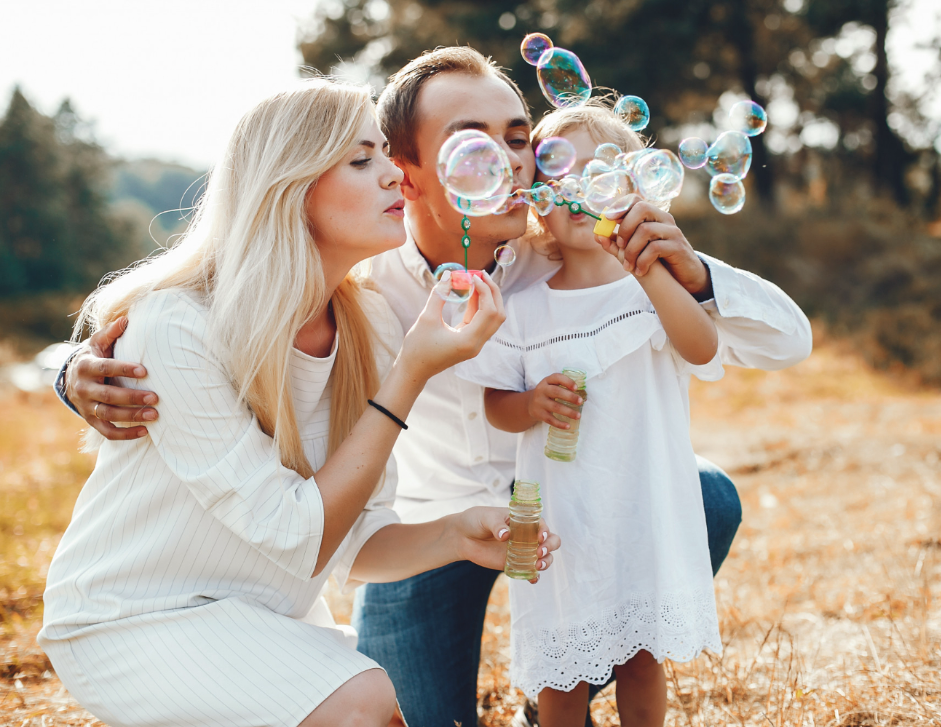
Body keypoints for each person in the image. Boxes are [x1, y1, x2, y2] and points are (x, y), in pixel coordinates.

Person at [57, 48, 811, 727]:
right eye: (475, 142)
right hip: (423, 533)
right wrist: (76, 374)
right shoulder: (370, 292)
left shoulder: (582, 253)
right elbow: (213, 314)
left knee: (704, 490)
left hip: (563, 518)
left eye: (520, 137)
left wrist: (695, 272)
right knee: (403, 712)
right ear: (409, 171)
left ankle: (559, 686)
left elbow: (786, 339)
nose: (514, 160)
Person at [37, 78, 561, 727]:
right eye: (361, 159)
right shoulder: (177, 324)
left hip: (259, 610)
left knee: (378, 701)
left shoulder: (367, 320)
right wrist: (412, 373)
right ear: (291, 183)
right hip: (132, 614)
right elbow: (295, 538)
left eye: (387, 156)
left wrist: (456, 532)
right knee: (365, 700)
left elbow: (354, 536)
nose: (393, 176)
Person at [456, 102, 727, 726]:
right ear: (538, 205)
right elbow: (496, 405)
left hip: (642, 500)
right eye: (560, 180)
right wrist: (531, 404)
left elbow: (703, 347)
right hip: (558, 510)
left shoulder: (650, 287)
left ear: (635, 194)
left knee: (640, 655)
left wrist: (650, 270)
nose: (578, 192)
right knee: (562, 662)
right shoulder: (522, 305)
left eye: (600, 178)